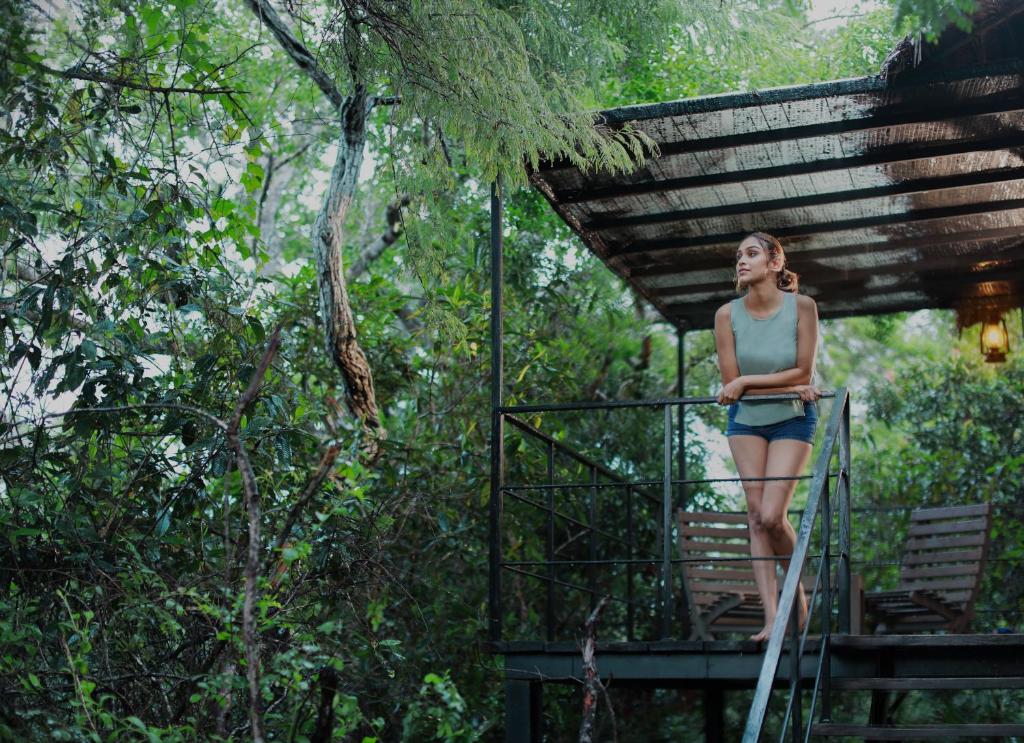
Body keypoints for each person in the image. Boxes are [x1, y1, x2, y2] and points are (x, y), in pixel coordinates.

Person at [714, 231, 821, 642]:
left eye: (752, 253)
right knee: (756, 515)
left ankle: (796, 592)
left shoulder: (803, 307)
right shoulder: (727, 315)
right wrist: (742, 385)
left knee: (774, 515)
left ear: (775, 263)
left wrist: (746, 381)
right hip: (746, 421)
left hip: (793, 418)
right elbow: (728, 385)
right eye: (739, 255)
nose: (742, 261)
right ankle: (772, 619)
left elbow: (803, 372)